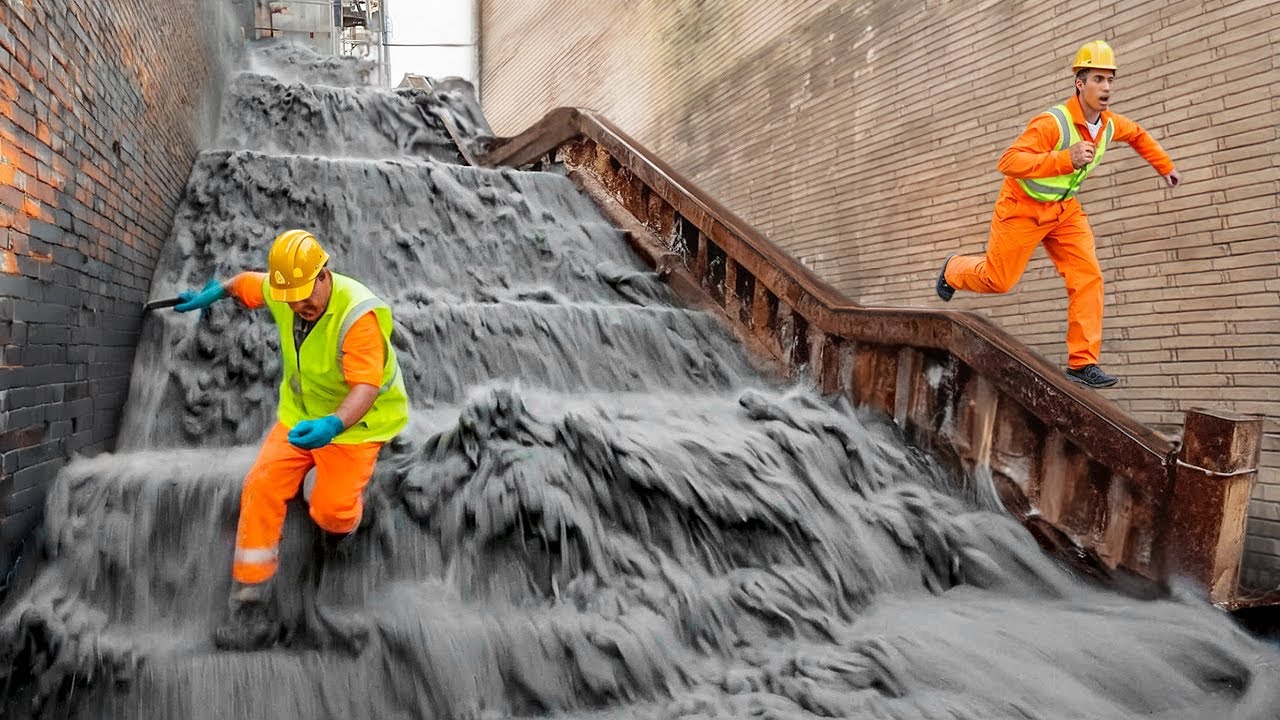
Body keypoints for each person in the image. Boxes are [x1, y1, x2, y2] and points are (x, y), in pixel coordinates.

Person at [174, 229, 409, 649]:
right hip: (300, 417)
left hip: (357, 425)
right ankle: (250, 602)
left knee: (330, 512)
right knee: (261, 485)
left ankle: (360, 514)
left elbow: (365, 388)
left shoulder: (358, 315)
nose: (300, 304)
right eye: (291, 295)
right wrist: (215, 293)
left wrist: (334, 427)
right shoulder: (285, 293)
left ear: (325, 273)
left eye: (307, 292)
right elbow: (247, 283)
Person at [935, 40, 1181, 388]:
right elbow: (1007, 162)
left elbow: (1138, 135)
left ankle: (1082, 363)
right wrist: (1064, 158)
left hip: (1064, 212)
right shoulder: (1053, 122)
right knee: (999, 280)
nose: (1107, 87)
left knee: (1088, 277)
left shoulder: (1109, 126)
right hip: (1022, 209)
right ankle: (953, 268)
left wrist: (1165, 167)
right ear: (1080, 83)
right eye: (1098, 79)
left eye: (1111, 79)